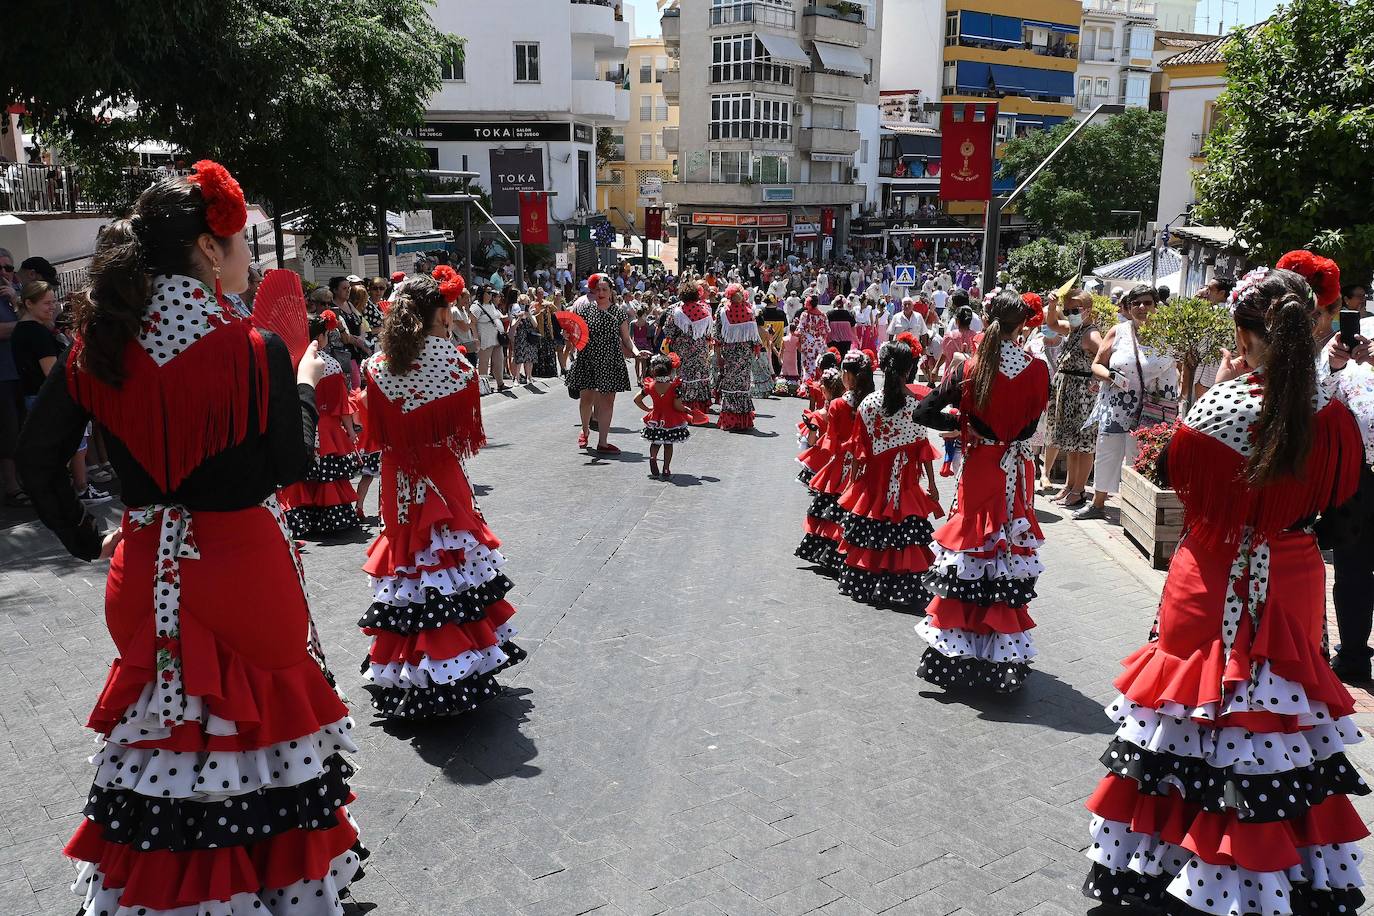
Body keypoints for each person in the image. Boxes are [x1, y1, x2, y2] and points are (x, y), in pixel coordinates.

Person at [16, 161, 365, 913]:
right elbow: (291, 464)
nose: (249, 256)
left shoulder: (100, 347)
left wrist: (92, 538)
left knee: (157, 746)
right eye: (242, 241)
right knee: (263, 741)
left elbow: (38, 458)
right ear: (209, 248)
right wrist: (304, 382)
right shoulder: (253, 347)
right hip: (244, 569)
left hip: (146, 568)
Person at [1081, 267, 1371, 914]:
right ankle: (1271, 873)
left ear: (1242, 336)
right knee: (1276, 725)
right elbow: (1343, 518)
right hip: (1293, 578)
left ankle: (1176, 864)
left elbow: (1182, 485)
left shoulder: (1217, 409)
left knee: (1188, 709)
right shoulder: (1333, 416)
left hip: (1210, 575)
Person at [357, 268, 525, 719]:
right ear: (439, 312)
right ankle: (461, 661)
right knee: (453, 566)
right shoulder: (454, 364)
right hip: (441, 473)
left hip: (398, 477)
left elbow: (377, 431)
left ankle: (407, 668)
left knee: (406, 566)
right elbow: (460, 431)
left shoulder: (375, 366)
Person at [914, 290, 1049, 693]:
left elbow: (923, 412)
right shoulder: (1038, 369)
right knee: (1005, 557)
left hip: (980, 471)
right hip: (1015, 472)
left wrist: (962, 425)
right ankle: (1001, 654)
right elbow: (1031, 425)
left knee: (970, 555)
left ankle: (961, 650)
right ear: (1022, 324)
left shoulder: (970, 368)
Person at [835, 341, 942, 608]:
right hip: (905, 481)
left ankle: (868, 582)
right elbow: (922, 450)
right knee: (904, 532)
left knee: (871, 531)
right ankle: (902, 586)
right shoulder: (916, 406)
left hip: (873, 481)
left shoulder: (868, 404)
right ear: (908, 371)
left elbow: (859, 449)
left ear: (882, 367)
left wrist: (851, 483)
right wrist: (931, 483)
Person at [1075, 284, 1178, 521]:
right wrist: (1111, 376)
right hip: (1116, 406)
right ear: (1129, 307)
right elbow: (1097, 364)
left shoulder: (1168, 336)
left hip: (1151, 408)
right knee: (1106, 453)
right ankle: (1097, 503)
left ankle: (1135, 509)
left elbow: (1179, 369)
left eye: (1147, 303)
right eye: (1136, 303)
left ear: (1156, 306)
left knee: (1139, 455)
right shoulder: (1118, 331)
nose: (1142, 307)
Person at [13, 280, 110, 504]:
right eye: (47, 303)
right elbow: (52, 374)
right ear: (29, 303)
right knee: (73, 446)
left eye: (54, 301)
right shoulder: (37, 333)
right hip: (47, 399)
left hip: (34, 398)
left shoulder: (23, 330)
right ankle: (81, 489)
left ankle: (68, 493)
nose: (53, 307)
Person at [278, 310, 362, 538]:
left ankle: (300, 520)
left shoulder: (289, 361)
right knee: (328, 476)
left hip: (300, 423)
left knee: (299, 476)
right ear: (322, 337)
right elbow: (340, 404)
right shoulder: (331, 364)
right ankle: (330, 519)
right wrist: (351, 429)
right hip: (326, 428)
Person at [796, 352, 872, 573]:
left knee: (832, 508)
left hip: (841, 462)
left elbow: (831, 440)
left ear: (847, 376)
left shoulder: (838, 404)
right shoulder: (871, 402)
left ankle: (829, 553)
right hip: (863, 464)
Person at [566, 273, 647, 452]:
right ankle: (585, 430)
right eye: (598, 289)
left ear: (611, 292)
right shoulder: (585, 310)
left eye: (605, 289)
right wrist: (569, 338)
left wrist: (636, 352)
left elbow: (626, 339)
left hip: (611, 360)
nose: (601, 292)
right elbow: (576, 335)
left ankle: (603, 442)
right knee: (586, 399)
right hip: (587, 359)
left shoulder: (618, 312)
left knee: (607, 402)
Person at [1043, 290, 1103, 508]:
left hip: (1083, 395)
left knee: (1084, 445)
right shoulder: (1074, 329)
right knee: (1071, 444)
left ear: (1088, 310)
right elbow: (1051, 324)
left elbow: (1106, 357)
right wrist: (1052, 306)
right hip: (1069, 392)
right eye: (1067, 310)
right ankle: (1069, 486)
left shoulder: (1091, 334)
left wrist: (1097, 379)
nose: (1070, 314)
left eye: (1074, 310)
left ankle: (1078, 490)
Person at [634, 352, 692, 480]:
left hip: (655, 418)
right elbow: (677, 405)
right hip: (671, 420)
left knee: (655, 442)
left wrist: (647, 409)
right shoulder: (674, 387)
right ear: (670, 370)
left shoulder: (650, 386)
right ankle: (666, 468)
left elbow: (636, 399)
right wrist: (686, 409)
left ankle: (653, 457)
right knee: (668, 444)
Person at [714, 283, 761, 431]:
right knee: (743, 384)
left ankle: (730, 419)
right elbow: (755, 339)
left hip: (729, 355)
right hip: (745, 355)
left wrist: (718, 355)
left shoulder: (722, 312)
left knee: (729, 383)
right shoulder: (749, 312)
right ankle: (743, 420)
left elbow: (717, 337)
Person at [662, 283, 714, 416]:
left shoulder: (676, 311)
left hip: (683, 351)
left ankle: (684, 405)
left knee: (684, 376)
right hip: (701, 350)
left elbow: (668, 331)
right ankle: (700, 407)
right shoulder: (705, 310)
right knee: (700, 375)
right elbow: (709, 332)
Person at [472, 286, 509, 392]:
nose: (491, 295)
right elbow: (472, 323)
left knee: (499, 361)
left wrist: (510, 316)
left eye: (491, 293)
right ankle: (483, 387)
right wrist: (476, 338)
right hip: (485, 338)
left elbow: (498, 317)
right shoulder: (476, 306)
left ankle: (500, 384)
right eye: (488, 292)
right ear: (482, 293)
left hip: (497, 338)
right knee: (484, 362)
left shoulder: (492, 305)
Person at [793, 295, 831, 380]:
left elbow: (800, 331)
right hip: (819, 344)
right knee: (818, 364)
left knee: (807, 366)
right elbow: (826, 331)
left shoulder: (805, 315)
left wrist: (799, 340)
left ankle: (807, 385)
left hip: (807, 344)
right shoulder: (823, 315)